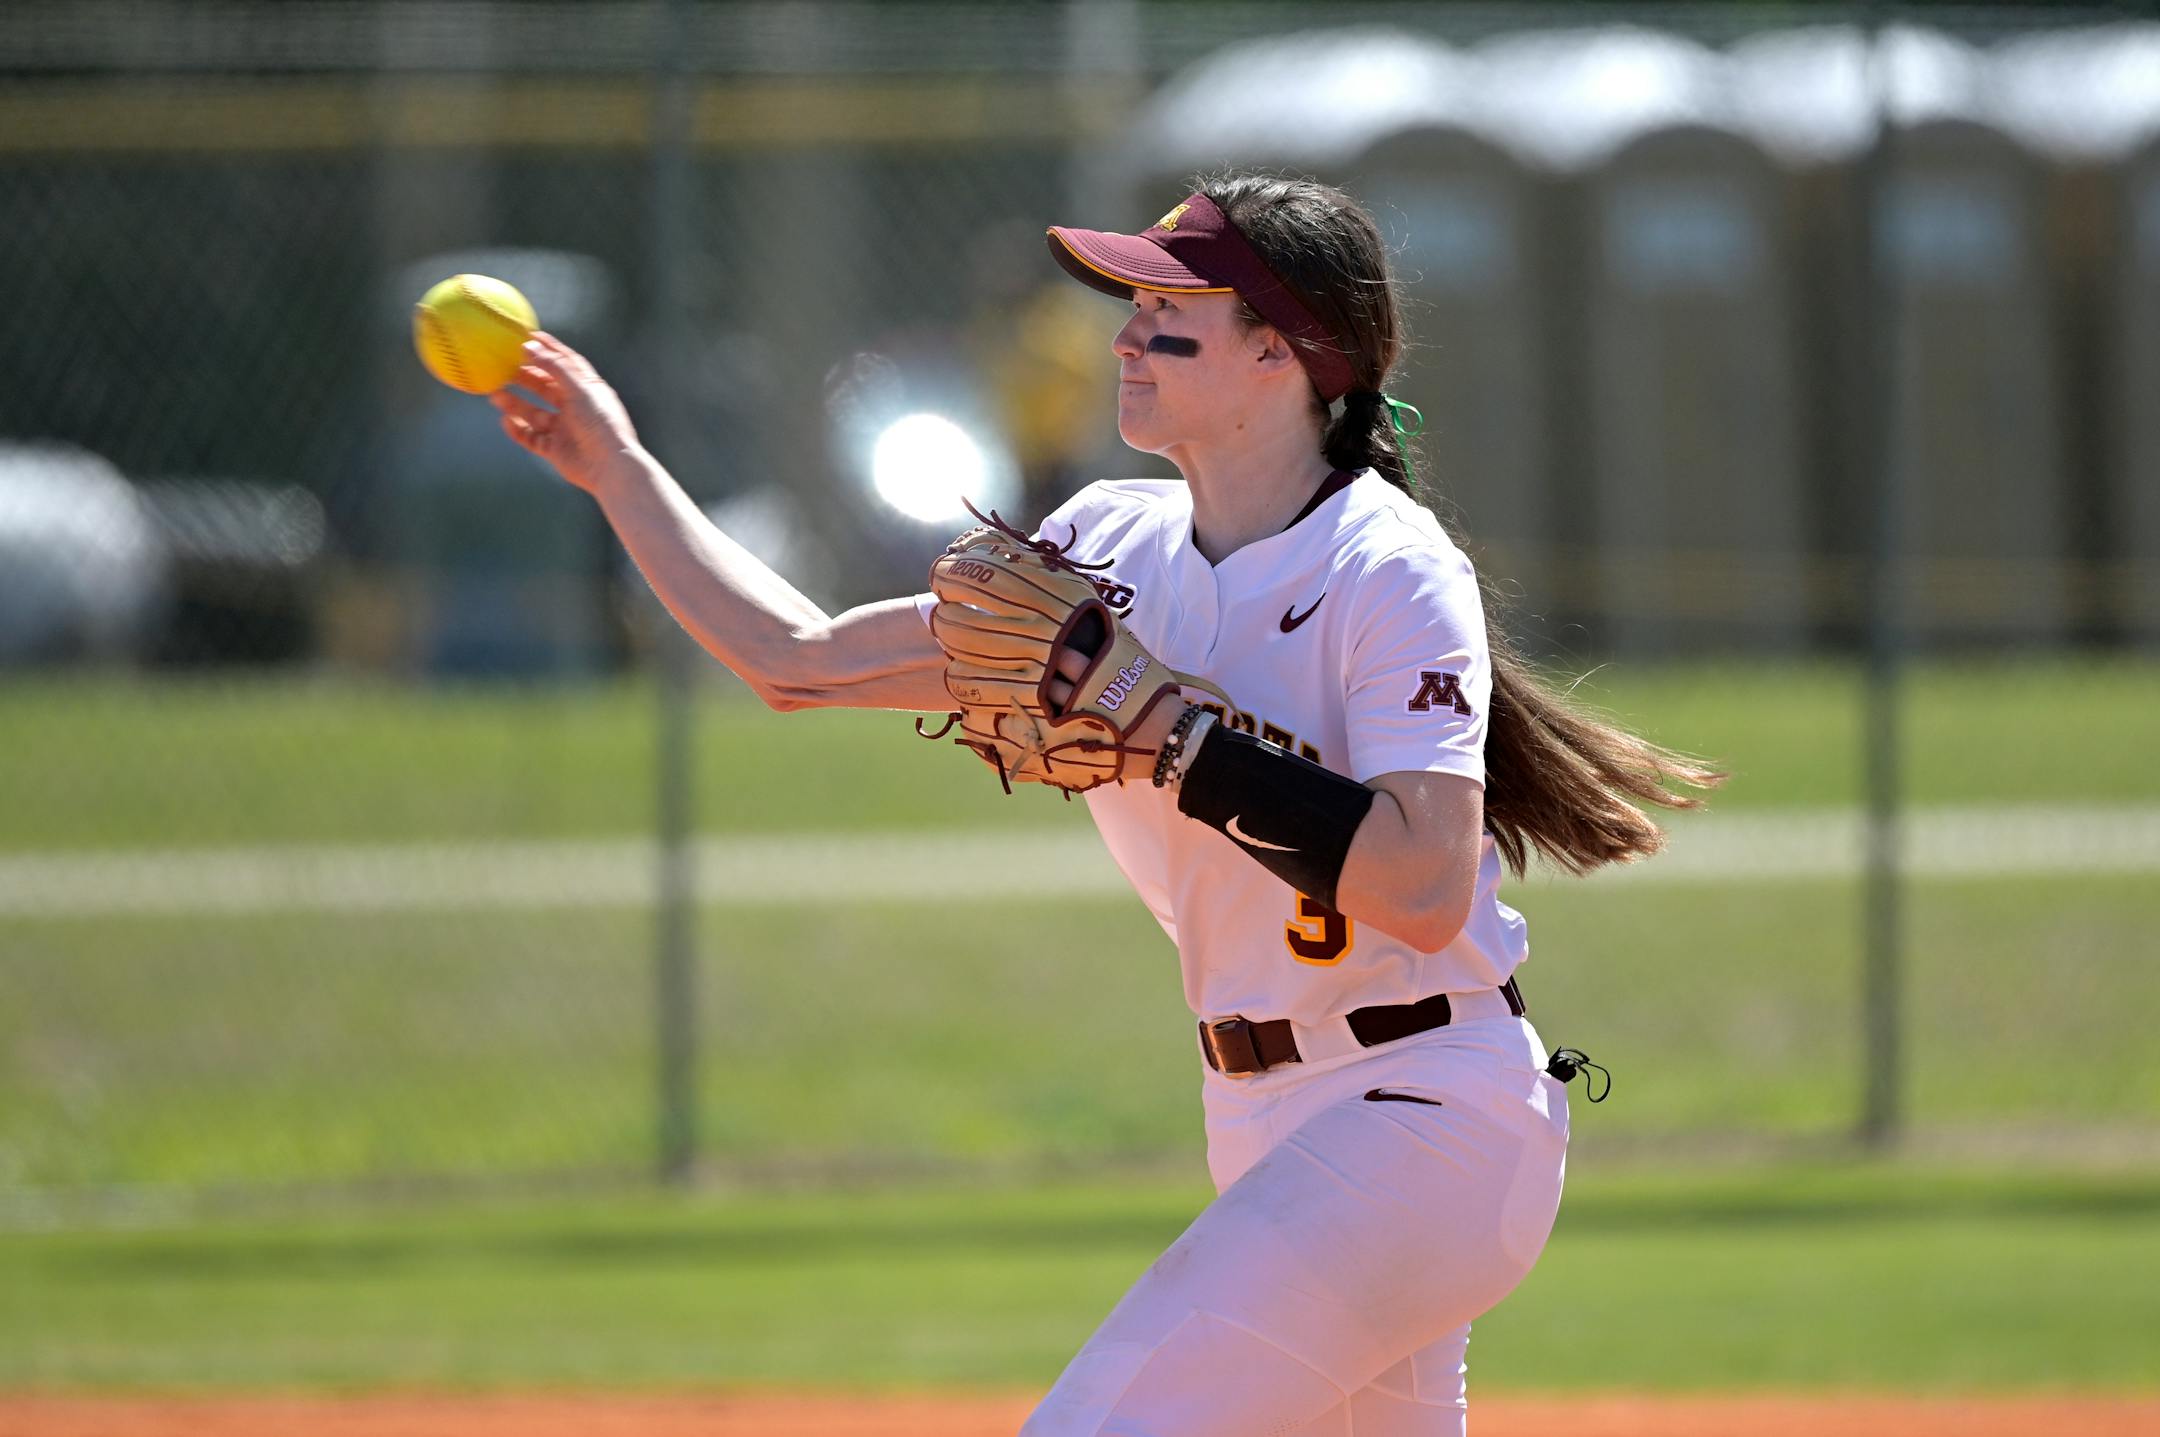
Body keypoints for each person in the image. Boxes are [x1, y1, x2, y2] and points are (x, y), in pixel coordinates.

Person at [493, 171, 1719, 1437]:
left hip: (1423, 1116)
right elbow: (797, 661)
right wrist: (617, 466)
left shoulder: (1385, 565)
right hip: (1263, 1119)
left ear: (1280, 350)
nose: (1123, 336)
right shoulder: (1106, 551)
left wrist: (1175, 737)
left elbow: (1419, 882)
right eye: (1129, 306)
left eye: (1167, 311)